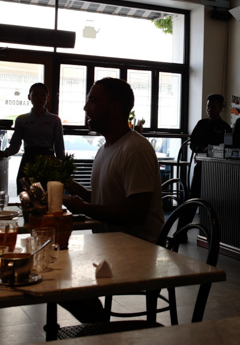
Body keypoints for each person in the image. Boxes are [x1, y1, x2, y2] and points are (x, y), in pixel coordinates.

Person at [62, 78, 164, 323]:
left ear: (116, 108)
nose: (86, 108)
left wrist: (84, 208)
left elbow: (136, 214)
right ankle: (98, 327)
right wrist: (71, 187)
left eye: (93, 101)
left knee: (57, 276)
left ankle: (99, 328)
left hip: (138, 255)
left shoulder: (135, 149)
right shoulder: (105, 148)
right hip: (109, 248)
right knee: (51, 264)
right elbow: (104, 199)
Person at [0, 83, 65, 193]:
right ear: (29, 97)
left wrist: (61, 166)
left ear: (48, 98)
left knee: (48, 195)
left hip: (48, 161)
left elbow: (59, 147)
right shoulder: (21, 120)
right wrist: (4, 153)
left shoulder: (55, 120)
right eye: (35, 94)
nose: (39, 98)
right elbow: (15, 146)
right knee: (25, 193)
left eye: (43, 95)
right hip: (29, 160)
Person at [189, 93, 231, 198]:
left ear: (220, 108)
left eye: (213, 107)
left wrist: (216, 149)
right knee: (194, 194)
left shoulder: (225, 127)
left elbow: (229, 147)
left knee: (214, 195)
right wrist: (202, 149)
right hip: (201, 164)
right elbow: (193, 143)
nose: (209, 109)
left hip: (219, 167)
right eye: (208, 106)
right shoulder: (201, 124)